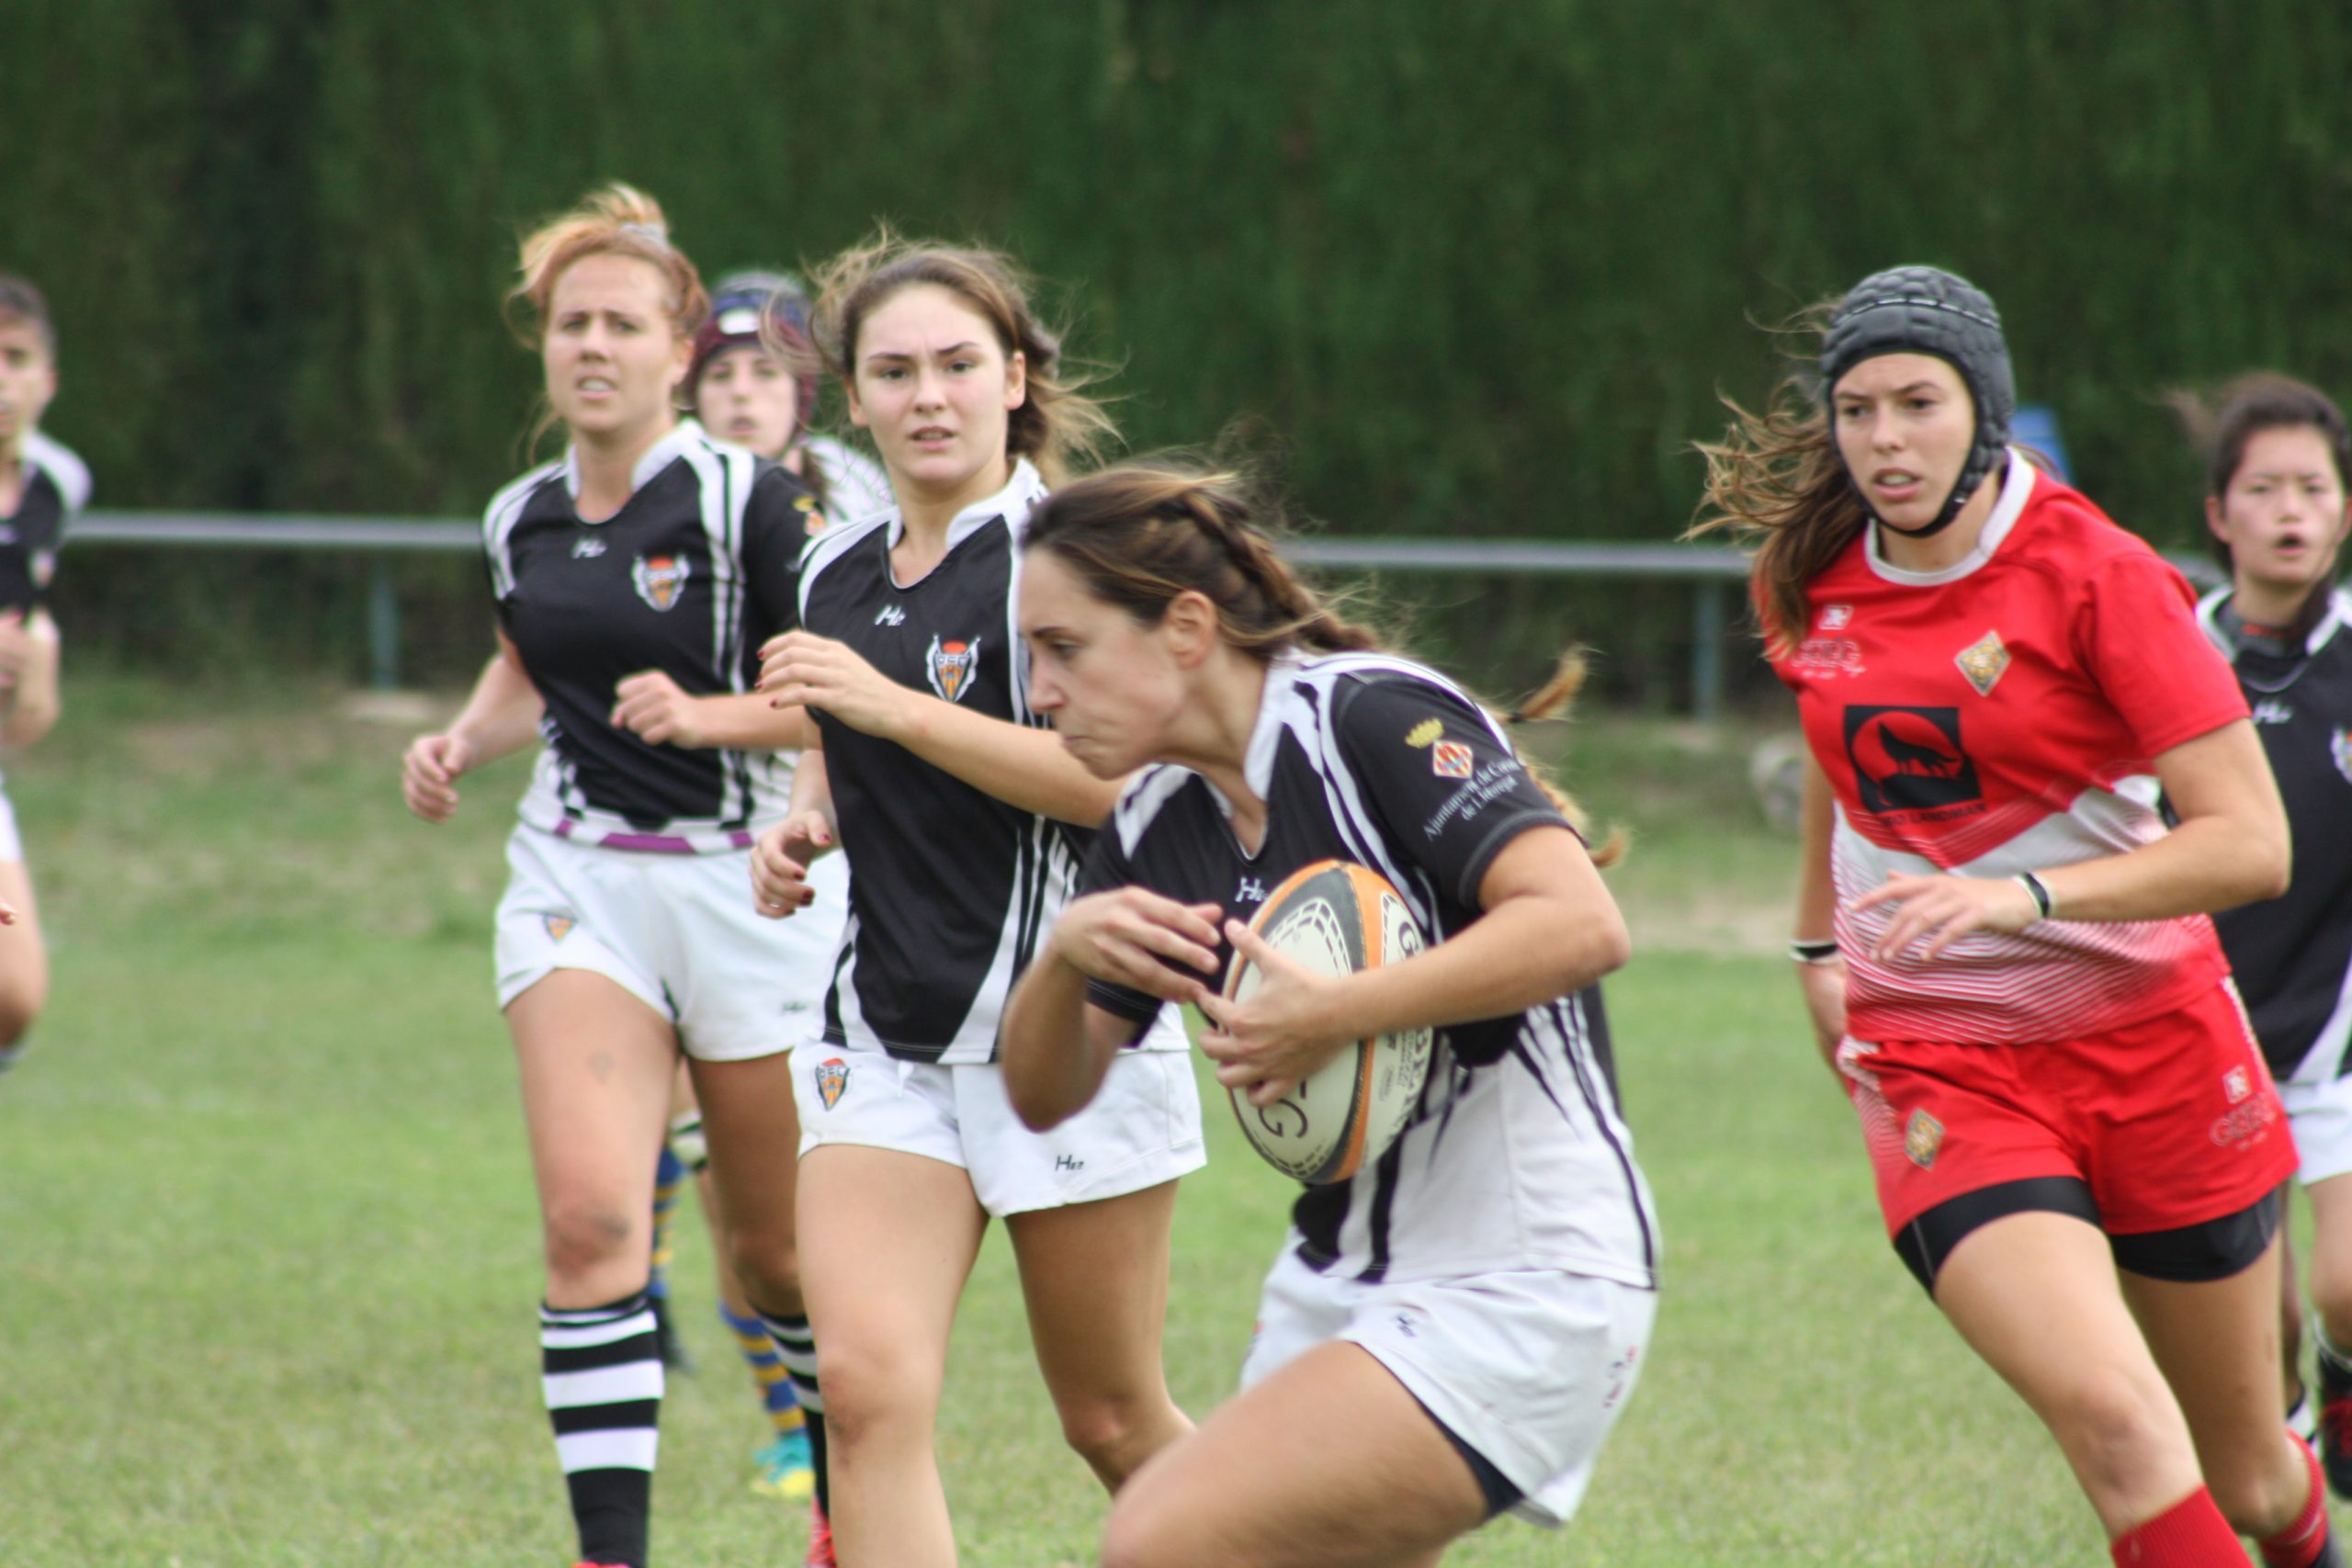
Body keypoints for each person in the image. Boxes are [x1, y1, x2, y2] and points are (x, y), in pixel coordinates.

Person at [1695, 265, 2332, 1567]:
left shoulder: (2102, 576)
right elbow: (1837, 737)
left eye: (1918, 404)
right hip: (1944, 1059)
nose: (1884, 441)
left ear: (1983, 409)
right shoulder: (1807, 574)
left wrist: (2023, 895)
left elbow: (2249, 842)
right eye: (1857, 409)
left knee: (2251, 1481)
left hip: (2155, 1047)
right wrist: (1819, 941)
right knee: (2115, 1428)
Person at [993, 458, 1657, 1567]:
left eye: (1063, 649)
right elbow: (1046, 1095)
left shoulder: (1370, 719)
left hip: (1526, 1267)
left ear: (1186, 627)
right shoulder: (1157, 820)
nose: (1041, 691)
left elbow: (1581, 926)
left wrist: (1338, 1011)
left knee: (1159, 1540)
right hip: (1336, 1279)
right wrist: (1062, 958)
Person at [746, 234, 1203, 1568]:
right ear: (854, 398)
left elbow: (1116, 790)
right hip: (881, 1035)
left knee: (1113, 1418)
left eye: (957, 364)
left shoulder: (1072, 561)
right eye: (894, 370)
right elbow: (831, 758)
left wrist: (903, 709)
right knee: (869, 1392)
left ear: (1016, 378)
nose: (927, 395)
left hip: (1066, 1041)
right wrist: (805, 827)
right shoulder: (833, 568)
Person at [400, 185, 823, 1568]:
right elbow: (536, 665)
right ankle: (609, 1554)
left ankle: (840, 1505)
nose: (592, 345)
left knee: (774, 1261)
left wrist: (710, 719)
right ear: (544, 343)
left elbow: (839, 699)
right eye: (570, 322)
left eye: (621, 324)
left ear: (679, 345)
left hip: (747, 891)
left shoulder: (747, 499)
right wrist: (466, 735)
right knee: (594, 1224)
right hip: (579, 878)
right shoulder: (516, 514)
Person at [2184, 374, 2352, 1493]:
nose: (2290, 510)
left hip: (2339, 1018)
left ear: (2341, 510)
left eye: (2313, 487)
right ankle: (2295, 1459)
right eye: (2263, 488)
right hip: (2206, 1024)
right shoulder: (2172, 652)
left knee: (2343, 1287)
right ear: (2218, 513)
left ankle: (2342, 1376)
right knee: (2262, 1318)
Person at [0, 276, 77, 1075]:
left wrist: (41, 659)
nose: (0, 379)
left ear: (46, 381)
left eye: (15, 359)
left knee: (15, 996)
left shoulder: (58, 485)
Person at [695, 269, 892, 522]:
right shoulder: (661, 498)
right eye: (721, 375)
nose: (740, 391)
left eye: (765, 372)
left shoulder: (853, 486)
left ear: (802, 392)